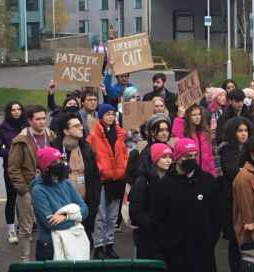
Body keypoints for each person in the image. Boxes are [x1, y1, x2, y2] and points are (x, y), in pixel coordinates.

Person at [151, 138, 220, 271]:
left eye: (195, 155)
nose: (192, 159)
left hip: (203, 251)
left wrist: (211, 239)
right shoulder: (163, 185)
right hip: (176, 254)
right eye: (188, 156)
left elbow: (216, 213)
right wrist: (167, 245)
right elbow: (157, 220)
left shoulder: (207, 181)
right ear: (177, 158)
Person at [7, 105, 55, 261]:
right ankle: (25, 260)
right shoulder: (21, 140)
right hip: (28, 187)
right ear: (29, 120)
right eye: (38, 119)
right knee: (26, 228)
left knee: (50, 223)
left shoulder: (51, 135)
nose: (42, 122)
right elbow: (13, 168)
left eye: (44, 118)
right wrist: (23, 190)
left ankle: (48, 258)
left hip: (49, 186)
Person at [50, 114, 100, 248]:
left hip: (84, 204)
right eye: (76, 126)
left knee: (85, 245)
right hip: (62, 206)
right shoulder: (55, 149)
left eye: (81, 125)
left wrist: (94, 202)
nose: (81, 128)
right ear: (66, 131)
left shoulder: (86, 148)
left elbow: (94, 177)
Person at [30, 147, 89, 261]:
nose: (60, 164)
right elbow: (50, 223)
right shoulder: (38, 190)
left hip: (72, 241)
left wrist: (66, 216)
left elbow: (85, 209)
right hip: (49, 245)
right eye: (55, 162)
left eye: (61, 160)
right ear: (46, 168)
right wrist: (77, 218)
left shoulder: (66, 183)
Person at [86, 103, 127, 259]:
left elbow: (124, 154)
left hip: (117, 179)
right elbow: (90, 156)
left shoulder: (120, 134)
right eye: (107, 114)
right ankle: (98, 247)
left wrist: (124, 167)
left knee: (112, 216)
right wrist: (100, 169)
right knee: (100, 215)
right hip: (102, 180)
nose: (110, 117)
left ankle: (109, 245)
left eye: (112, 114)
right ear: (101, 116)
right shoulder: (94, 136)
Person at [218, 117, 254, 271]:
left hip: (249, 201)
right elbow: (232, 173)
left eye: (246, 130)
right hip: (232, 201)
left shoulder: (250, 148)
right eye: (240, 131)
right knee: (235, 241)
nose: (243, 134)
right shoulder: (227, 150)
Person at [128, 143, 172, 260]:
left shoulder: (172, 180)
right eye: (164, 157)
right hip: (147, 236)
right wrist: (154, 224)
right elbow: (135, 212)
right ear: (154, 159)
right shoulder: (142, 181)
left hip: (168, 236)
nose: (168, 160)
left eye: (170, 157)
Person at [0, 101, 27, 244]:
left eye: (19, 109)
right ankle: (11, 229)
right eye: (13, 110)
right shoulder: (3, 128)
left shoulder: (27, 125)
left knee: (26, 197)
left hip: (27, 168)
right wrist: (11, 153)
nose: (16, 112)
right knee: (11, 198)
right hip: (11, 167)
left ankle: (24, 225)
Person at [171, 104, 216, 177]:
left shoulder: (205, 133)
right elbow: (176, 135)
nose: (197, 117)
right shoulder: (185, 134)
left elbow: (210, 157)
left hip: (205, 174)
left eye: (199, 114)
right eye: (194, 115)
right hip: (190, 173)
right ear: (188, 117)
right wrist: (179, 118)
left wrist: (212, 174)